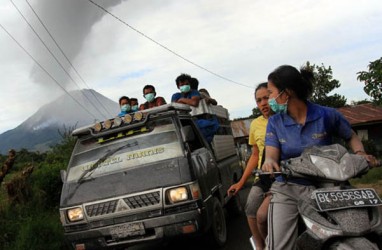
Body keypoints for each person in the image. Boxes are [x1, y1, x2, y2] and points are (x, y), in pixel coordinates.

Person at [262, 65, 378, 250]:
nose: (269, 100)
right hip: (289, 189)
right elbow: (271, 154)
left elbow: (351, 136)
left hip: (330, 188)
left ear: (286, 93)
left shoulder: (327, 115)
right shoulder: (275, 122)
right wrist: (269, 162)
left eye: (270, 93)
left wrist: (361, 154)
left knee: (366, 228)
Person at [227, 82, 272, 250]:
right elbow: (255, 155)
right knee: (251, 207)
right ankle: (261, 246)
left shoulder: (286, 119)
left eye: (266, 98)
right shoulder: (255, 125)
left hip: (286, 175)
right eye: (259, 100)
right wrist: (240, 182)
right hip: (264, 177)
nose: (263, 103)